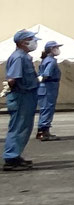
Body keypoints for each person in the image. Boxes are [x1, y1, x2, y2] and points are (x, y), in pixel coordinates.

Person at [4, 29, 39, 170]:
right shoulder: (19, 57)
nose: (34, 43)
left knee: (23, 127)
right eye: (31, 40)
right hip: (21, 97)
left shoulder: (23, 56)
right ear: (23, 42)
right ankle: (11, 159)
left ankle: (15, 156)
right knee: (18, 127)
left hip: (26, 96)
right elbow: (12, 79)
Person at [33, 40, 62, 142]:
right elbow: (46, 74)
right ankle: (44, 132)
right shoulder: (51, 61)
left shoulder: (46, 60)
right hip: (48, 87)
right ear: (51, 49)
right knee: (47, 109)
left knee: (45, 109)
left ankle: (42, 131)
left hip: (45, 87)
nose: (58, 49)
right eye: (56, 47)